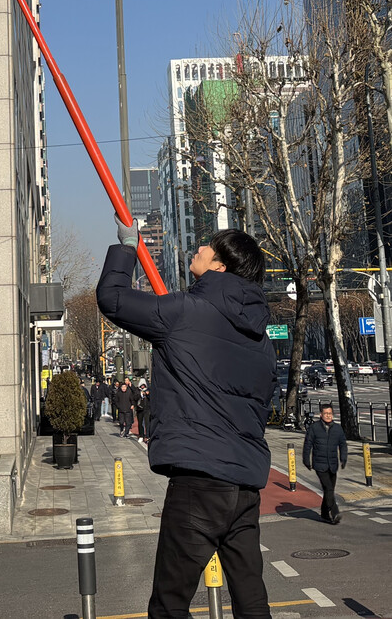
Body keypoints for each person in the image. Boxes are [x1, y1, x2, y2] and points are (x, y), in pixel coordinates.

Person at [97, 221, 276, 619]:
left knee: (169, 604)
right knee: (252, 602)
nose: (199, 249)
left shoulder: (184, 312)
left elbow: (112, 298)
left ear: (220, 266)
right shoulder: (261, 340)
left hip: (199, 480)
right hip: (245, 485)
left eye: (208, 247)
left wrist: (127, 247)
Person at [303, 403, 347, 524]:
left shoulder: (337, 428)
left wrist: (343, 458)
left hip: (332, 464)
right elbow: (308, 444)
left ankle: (324, 513)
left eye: (330, 413)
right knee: (328, 488)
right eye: (326, 413)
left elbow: (343, 444)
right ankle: (335, 512)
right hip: (319, 464)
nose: (328, 416)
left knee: (329, 490)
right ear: (321, 415)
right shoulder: (314, 428)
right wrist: (306, 460)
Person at [136, 380, 150, 445]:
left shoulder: (149, 390)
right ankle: (141, 435)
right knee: (140, 423)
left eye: (144, 385)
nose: (142, 386)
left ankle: (147, 436)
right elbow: (135, 397)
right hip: (139, 409)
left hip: (147, 409)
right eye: (141, 385)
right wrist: (140, 394)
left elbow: (152, 398)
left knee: (147, 423)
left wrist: (148, 394)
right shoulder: (137, 390)